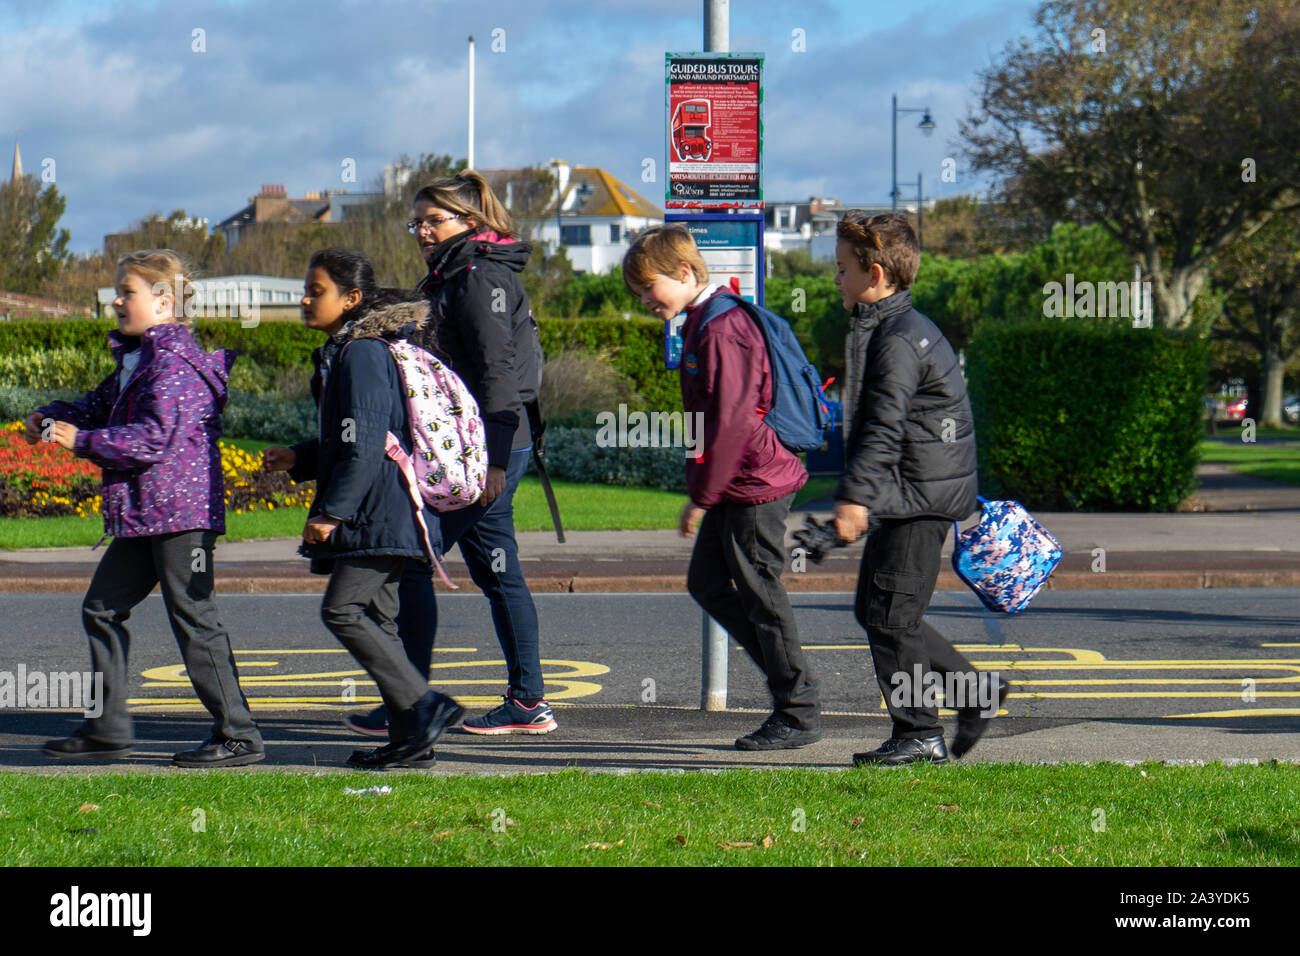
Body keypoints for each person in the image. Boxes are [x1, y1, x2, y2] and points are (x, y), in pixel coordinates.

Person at [28, 250, 264, 766]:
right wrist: (51, 418)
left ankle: (239, 734)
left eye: (126, 291)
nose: (115, 299)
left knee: (194, 616)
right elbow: (96, 405)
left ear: (163, 301)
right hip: (147, 513)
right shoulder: (140, 357)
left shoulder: (172, 363)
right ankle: (106, 728)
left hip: (180, 516)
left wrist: (83, 441)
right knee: (102, 609)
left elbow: (151, 439)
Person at [343, 172, 555, 738]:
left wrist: (497, 465)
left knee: (412, 557)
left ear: (471, 221)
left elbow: (497, 376)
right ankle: (527, 702)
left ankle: (411, 704)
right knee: (496, 568)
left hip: (486, 448)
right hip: (478, 444)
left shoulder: (477, 276)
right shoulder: (454, 273)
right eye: (417, 222)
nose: (422, 231)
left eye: (434, 220)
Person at [623, 225, 822, 750]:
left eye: (649, 287)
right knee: (709, 584)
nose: (644, 299)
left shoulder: (720, 328)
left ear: (685, 273)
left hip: (754, 482)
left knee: (761, 594)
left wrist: (703, 496)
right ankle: (791, 688)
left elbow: (731, 420)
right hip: (740, 480)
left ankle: (797, 710)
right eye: (637, 292)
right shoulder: (705, 320)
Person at [263, 249, 463, 768]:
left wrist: (331, 513)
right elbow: (350, 435)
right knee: (381, 619)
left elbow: (368, 441)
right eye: (305, 289)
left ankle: (426, 706)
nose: (305, 299)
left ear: (351, 299)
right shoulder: (346, 353)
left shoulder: (363, 354)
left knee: (342, 610)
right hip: (384, 507)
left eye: (317, 290)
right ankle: (411, 744)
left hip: (380, 509)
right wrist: (300, 457)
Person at [831, 212, 1008, 766]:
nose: (835, 279)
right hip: (911, 493)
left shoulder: (899, 338)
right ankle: (973, 695)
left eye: (842, 269)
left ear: (876, 272)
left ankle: (919, 733)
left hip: (918, 498)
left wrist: (855, 495)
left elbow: (885, 424)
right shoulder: (895, 327)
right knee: (877, 610)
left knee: (889, 618)